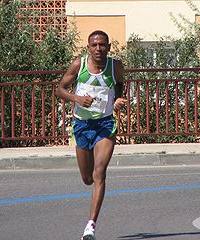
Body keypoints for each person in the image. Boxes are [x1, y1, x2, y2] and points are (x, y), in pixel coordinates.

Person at [56, 30, 127, 240]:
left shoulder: (115, 67)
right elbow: (59, 89)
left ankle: (90, 226)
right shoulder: (79, 65)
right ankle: (90, 221)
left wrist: (118, 100)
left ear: (108, 47)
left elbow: (120, 85)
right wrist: (76, 98)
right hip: (82, 125)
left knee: (100, 173)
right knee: (87, 178)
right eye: (94, 45)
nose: (98, 49)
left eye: (102, 45)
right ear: (88, 47)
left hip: (105, 125)